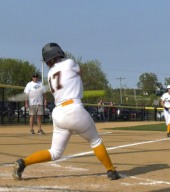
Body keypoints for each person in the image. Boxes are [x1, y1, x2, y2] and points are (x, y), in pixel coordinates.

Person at [12, 42, 120, 180]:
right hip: (74, 109)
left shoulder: (50, 74)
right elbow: (80, 72)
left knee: (55, 152)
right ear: (59, 53)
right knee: (95, 141)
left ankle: (24, 162)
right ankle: (111, 170)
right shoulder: (69, 63)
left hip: (58, 114)